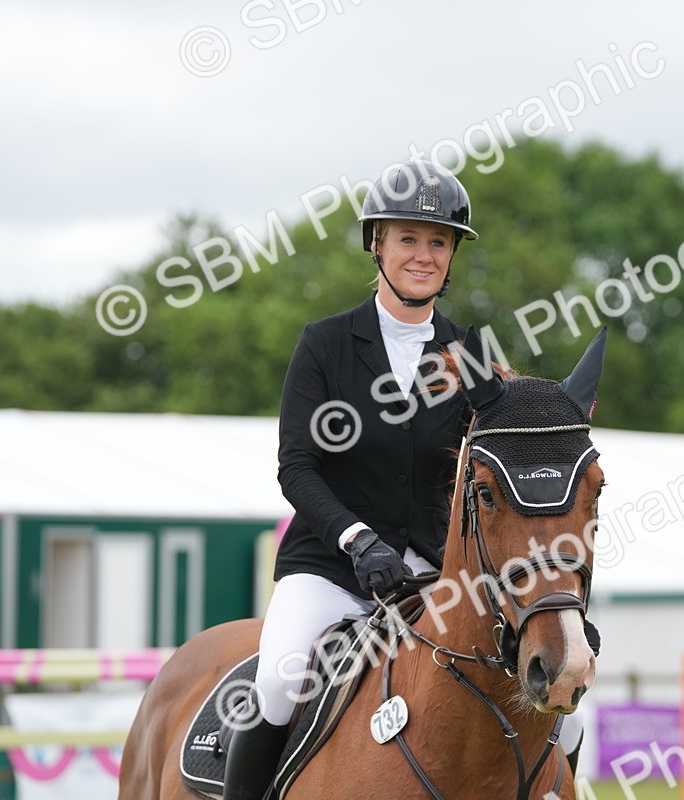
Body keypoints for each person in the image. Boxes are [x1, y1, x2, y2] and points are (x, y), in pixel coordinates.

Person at [221, 159, 583, 800]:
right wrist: (358, 539)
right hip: (331, 570)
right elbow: (297, 467)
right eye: (408, 238)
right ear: (377, 245)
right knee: (278, 680)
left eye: (438, 242)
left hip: (438, 578)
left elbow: (506, 466)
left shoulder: (473, 358)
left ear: (451, 256)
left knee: (570, 712)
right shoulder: (325, 344)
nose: (423, 255)